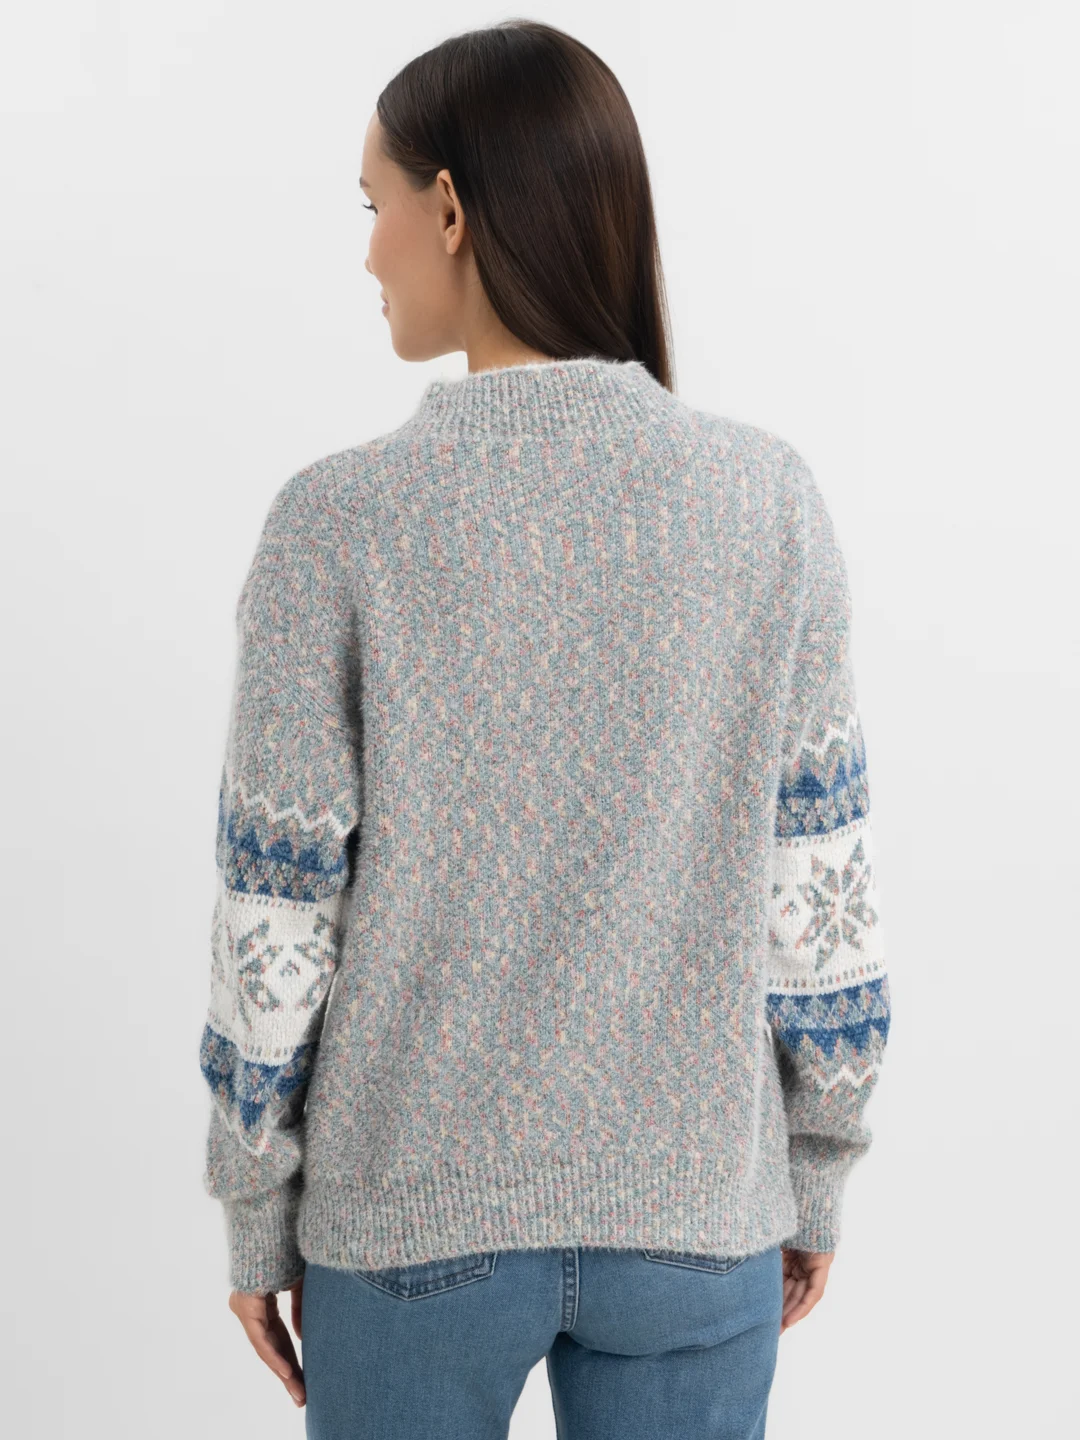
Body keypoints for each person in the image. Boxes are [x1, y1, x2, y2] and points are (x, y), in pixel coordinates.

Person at [198, 19, 891, 1439]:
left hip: (409, 1220)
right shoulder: (766, 501)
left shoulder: (338, 522)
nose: (369, 251)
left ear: (450, 208)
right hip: (697, 1212)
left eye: (375, 204)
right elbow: (820, 889)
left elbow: (277, 919)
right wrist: (814, 1167)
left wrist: (257, 1205)